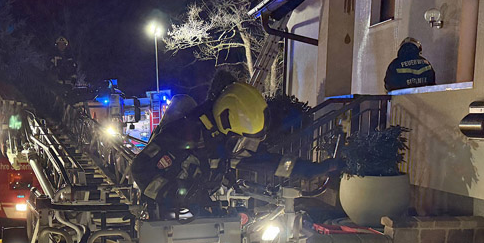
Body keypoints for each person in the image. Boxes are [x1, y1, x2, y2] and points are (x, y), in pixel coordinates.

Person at [130, 82, 340, 215]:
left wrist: (313, 169)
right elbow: (140, 169)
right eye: (242, 141)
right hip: (164, 219)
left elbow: (269, 162)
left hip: (201, 216)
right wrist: (176, 194)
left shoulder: (225, 142)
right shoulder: (182, 134)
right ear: (226, 123)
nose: (245, 148)